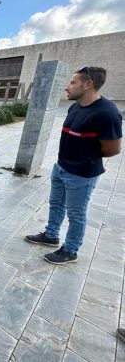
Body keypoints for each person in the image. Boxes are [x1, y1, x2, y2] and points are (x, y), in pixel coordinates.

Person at [25, 66, 122, 264]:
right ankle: (51, 235)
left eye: (72, 82)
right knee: (56, 204)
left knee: (76, 213)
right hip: (61, 167)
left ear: (88, 84)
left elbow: (112, 149)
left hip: (82, 174)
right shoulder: (75, 106)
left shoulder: (107, 113)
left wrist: (85, 157)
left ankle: (70, 250)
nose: (67, 87)